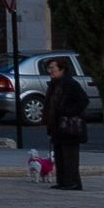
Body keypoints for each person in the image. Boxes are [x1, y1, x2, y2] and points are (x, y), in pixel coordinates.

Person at [41, 58, 90, 189]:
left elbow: (83, 101)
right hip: (56, 125)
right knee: (59, 154)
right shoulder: (54, 84)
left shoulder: (70, 83)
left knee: (70, 156)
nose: (50, 71)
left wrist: (67, 111)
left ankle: (73, 182)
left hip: (69, 126)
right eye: (49, 68)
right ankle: (62, 181)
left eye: (53, 68)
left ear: (62, 69)